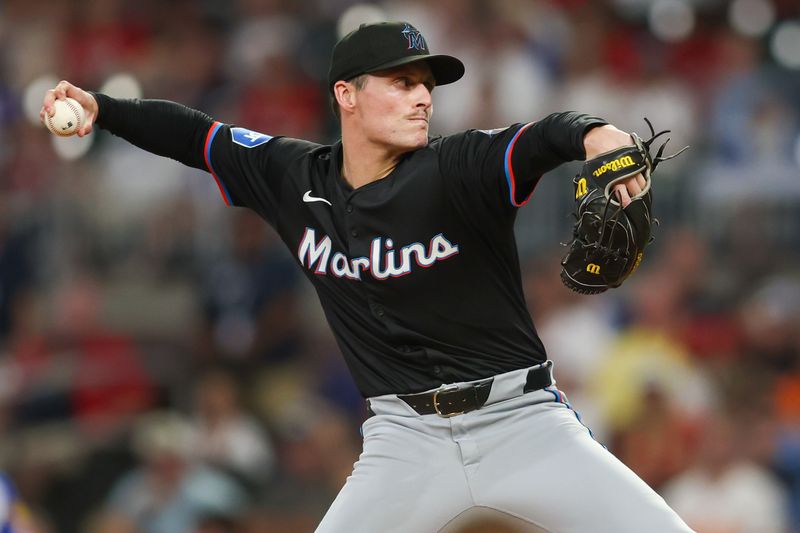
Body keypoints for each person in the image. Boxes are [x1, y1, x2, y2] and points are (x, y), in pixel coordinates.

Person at [41, 20, 693, 533]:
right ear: (346, 94)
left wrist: (597, 133)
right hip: (403, 441)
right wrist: (103, 106)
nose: (421, 98)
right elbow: (195, 136)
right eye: (401, 82)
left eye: (425, 85)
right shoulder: (291, 176)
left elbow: (544, 136)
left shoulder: (458, 166)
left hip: (523, 423)